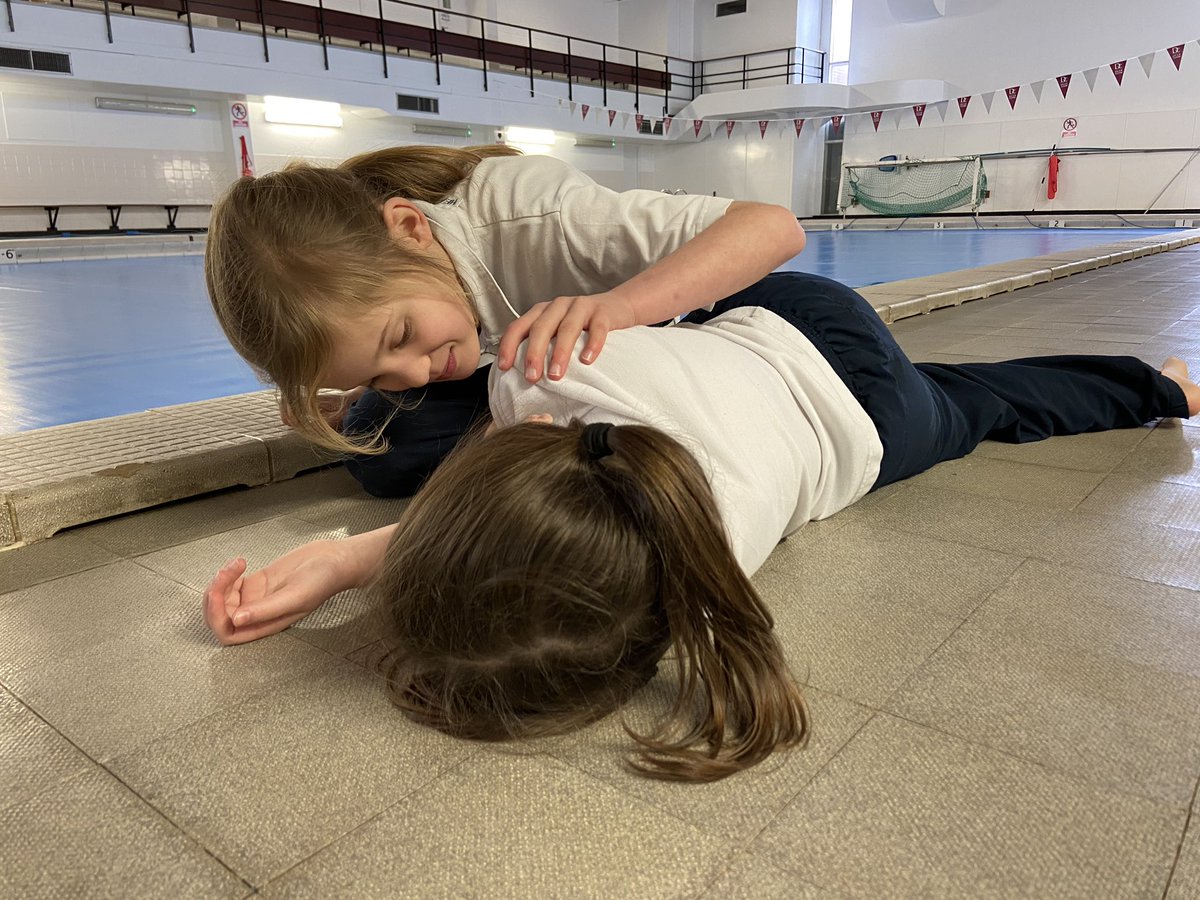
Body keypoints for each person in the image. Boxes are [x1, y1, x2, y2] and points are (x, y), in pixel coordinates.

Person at [202, 272, 1200, 782]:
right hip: (793, 320)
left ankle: (1160, 386)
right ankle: (1161, 385)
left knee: (987, 403)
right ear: (522, 443)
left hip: (857, 419)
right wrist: (349, 558)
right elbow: (499, 514)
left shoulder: (691, 560)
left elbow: (526, 561)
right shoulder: (531, 374)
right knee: (974, 400)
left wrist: (348, 557)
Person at [204, 145, 805, 496]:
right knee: (379, 451)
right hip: (526, 360)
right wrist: (357, 393)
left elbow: (775, 227)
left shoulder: (541, 217)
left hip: (714, 329)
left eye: (401, 337)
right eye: (376, 373)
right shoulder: (419, 301)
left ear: (411, 229)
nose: (414, 376)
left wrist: (620, 307)